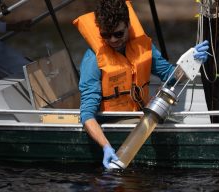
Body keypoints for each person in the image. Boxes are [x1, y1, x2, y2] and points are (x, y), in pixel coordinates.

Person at [73, 0, 209, 169]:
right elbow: (86, 116)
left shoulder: (143, 46)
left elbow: (170, 76)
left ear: (128, 25)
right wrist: (106, 147)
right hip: (112, 123)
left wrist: (190, 62)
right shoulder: (93, 60)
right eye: (106, 35)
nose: (113, 40)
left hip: (140, 116)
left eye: (118, 33)